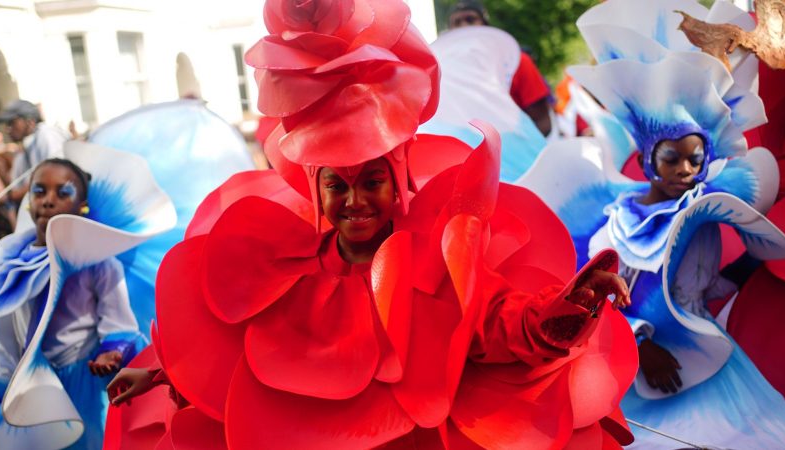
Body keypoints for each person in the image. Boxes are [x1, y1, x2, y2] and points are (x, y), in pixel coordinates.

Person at [103, 1, 638, 449]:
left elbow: (495, 321)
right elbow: (228, 353)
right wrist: (159, 376)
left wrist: (567, 307)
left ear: (398, 178)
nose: (355, 200)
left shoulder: (438, 252)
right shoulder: (280, 272)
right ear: (316, 190)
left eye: (372, 181)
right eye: (337, 184)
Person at [564, 0, 785, 447]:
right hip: (647, 374)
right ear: (648, 161)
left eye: (696, 160)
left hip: (709, 359)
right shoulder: (618, 223)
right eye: (673, 159)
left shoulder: (707, 199)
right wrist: (641, 347)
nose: (685, 171)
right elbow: (598, 300)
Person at [0, 141, 177, 449]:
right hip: (27, 382)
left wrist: (111, 351)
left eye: (63, 193)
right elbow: (0, 328)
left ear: (82, 204)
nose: (48, 201)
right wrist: (5, 383)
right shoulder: (3, 260)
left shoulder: (99, 262)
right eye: (39, 191)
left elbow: (117, 320)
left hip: (82, 381)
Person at [447, 0, 556, 138]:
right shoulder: (446, 74)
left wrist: (512, 152)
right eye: (456, 22)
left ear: (485, 25)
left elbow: (543, 123)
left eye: (470, 19)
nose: (464, 26)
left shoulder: (517, 61)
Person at [0, 99, 68, 207]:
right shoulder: (25, 149)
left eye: (12, 123)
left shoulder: (46, 135)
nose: (8, 129)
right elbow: (16, 184)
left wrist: (16, 194)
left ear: (30, 121)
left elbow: (58, 174)